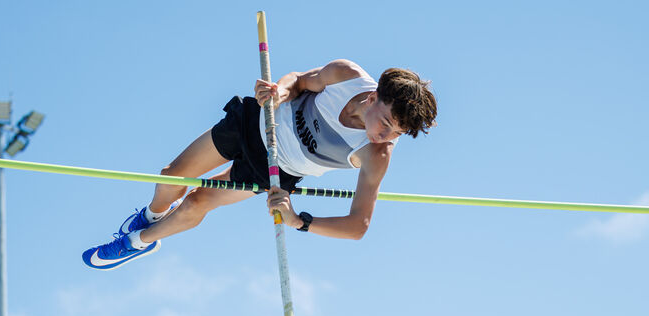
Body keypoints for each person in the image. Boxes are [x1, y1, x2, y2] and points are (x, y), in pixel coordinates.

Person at [82, 59, 437, 270]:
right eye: (386, 123)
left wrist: (300, 221)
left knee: (197, 200)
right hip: (254, 125)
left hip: (273, 169)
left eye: (398, 133)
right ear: (374, 96)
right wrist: (280, 91)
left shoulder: (377, 155)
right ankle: (153, 214)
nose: (386, 136)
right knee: (172, 177)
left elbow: (358, 225)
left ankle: (138, 241)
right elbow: (298, 81)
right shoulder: (346, 75)